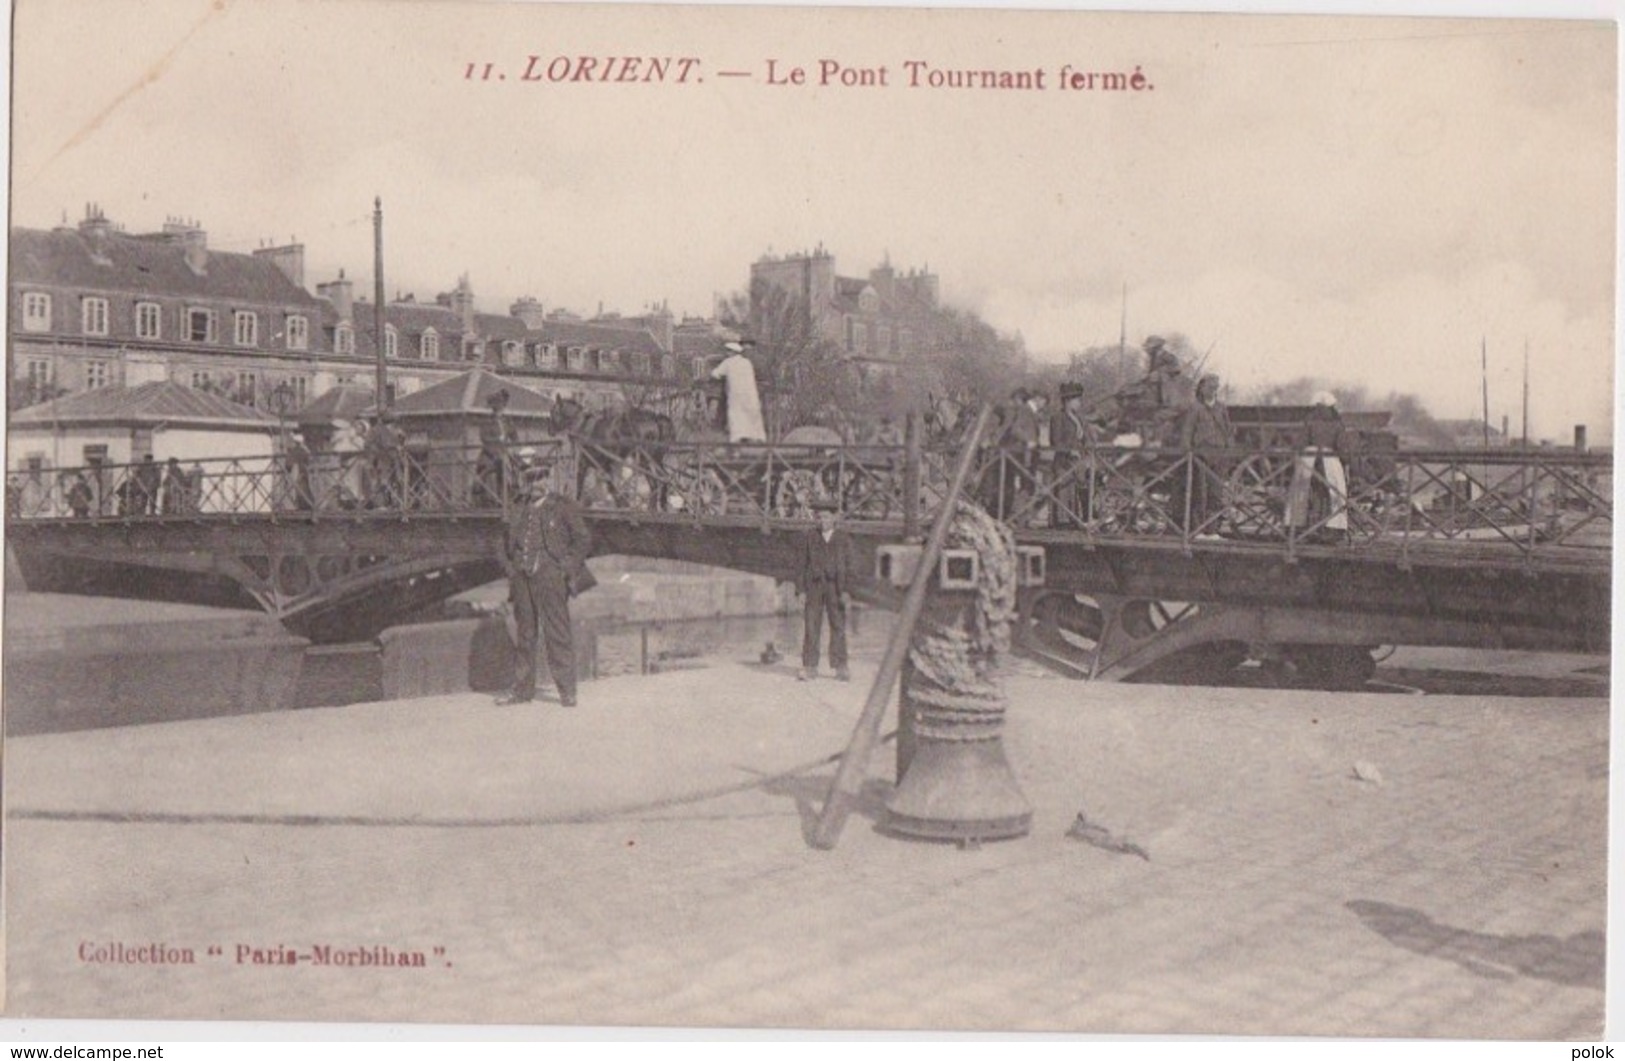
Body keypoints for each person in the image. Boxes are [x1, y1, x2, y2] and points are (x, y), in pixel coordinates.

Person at [498, 460, 594, 707]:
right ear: (525, 482)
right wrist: (510, 569)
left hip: (551, 575)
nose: (537, 484)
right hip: (522, 575)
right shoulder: (517, 507)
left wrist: (566, 568)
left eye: (541, 478)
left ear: (548, 479)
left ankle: (567, 691)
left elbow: (582, 539)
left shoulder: (562, 507)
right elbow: (500, 542)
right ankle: (522, 691)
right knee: (525, 634)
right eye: (531, 479)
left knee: (557, 633)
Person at [795, 500, 852, 682]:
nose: (823, 521)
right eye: (819, 517)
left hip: (836, 587)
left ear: (834, 518)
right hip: (814, 587)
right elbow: (801, 565)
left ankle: (840, 667)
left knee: (838, 626)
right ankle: (810, 666)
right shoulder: (810, 536)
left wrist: (847, 591)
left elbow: (851, 566)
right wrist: (801, 590)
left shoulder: (843, 538)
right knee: (811, 626)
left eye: (826, 517)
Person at [1177, 374, 1236, 537]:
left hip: (1219, 455)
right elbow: (1187, 431)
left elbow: (1228, 429)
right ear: (1202, 389)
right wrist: (1187, 451)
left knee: (1215, 494)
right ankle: (1197, 531)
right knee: (1199, 494)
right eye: (1209, 387)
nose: (1212, 391)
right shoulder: (1195, 408)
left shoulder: (1221, 408)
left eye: (1215, 388)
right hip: (1200, 456)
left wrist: (1229, 449)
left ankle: (1212, 531)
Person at [1288, 391, 1350, 541]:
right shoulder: (1337, 423)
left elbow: (1300, 443)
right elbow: (1342, 447)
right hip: (1329, 461)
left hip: (1310, 462)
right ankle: (1333, 528)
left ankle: (1298, 526)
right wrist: (1346, 462)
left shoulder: (1309, 421)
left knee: (1303, 491)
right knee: (1335, 491)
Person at [1049, 382, 1096, 528]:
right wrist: (1069, 450)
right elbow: (1055, 440)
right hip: (1064, 461)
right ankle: (1063, 521)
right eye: (1077, 400)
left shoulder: (1080, 418)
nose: (1079, 403)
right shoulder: (1058, 417)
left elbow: (1085, 436)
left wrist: (1089, 446)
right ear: (1068, 401)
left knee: (1082, 486)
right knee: (1065, 488)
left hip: (1078, 461)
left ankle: (1081, 518)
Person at [709, 339, 766, 443]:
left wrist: (710, 373)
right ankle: (757, 437)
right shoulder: (747, 362)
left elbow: (715, 374)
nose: (727, 353)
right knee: (752, 415)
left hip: (736, 395)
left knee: (736, 415)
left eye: (728, 351)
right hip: (750, 395)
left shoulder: (728, 362)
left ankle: (737, 438)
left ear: (731, 352)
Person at [475, 388, 514, 507]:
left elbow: (514, 436)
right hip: (489, 456)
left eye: (502, 406)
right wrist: (498, 444)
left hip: (505, 454)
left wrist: (511, 445)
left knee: (517, 466)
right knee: (497, 467)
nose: (501, 409)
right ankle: (497, 499)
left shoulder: (507, 421)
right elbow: (485, 439)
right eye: (498, 406)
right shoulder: (487, 421)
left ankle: (513, 495)